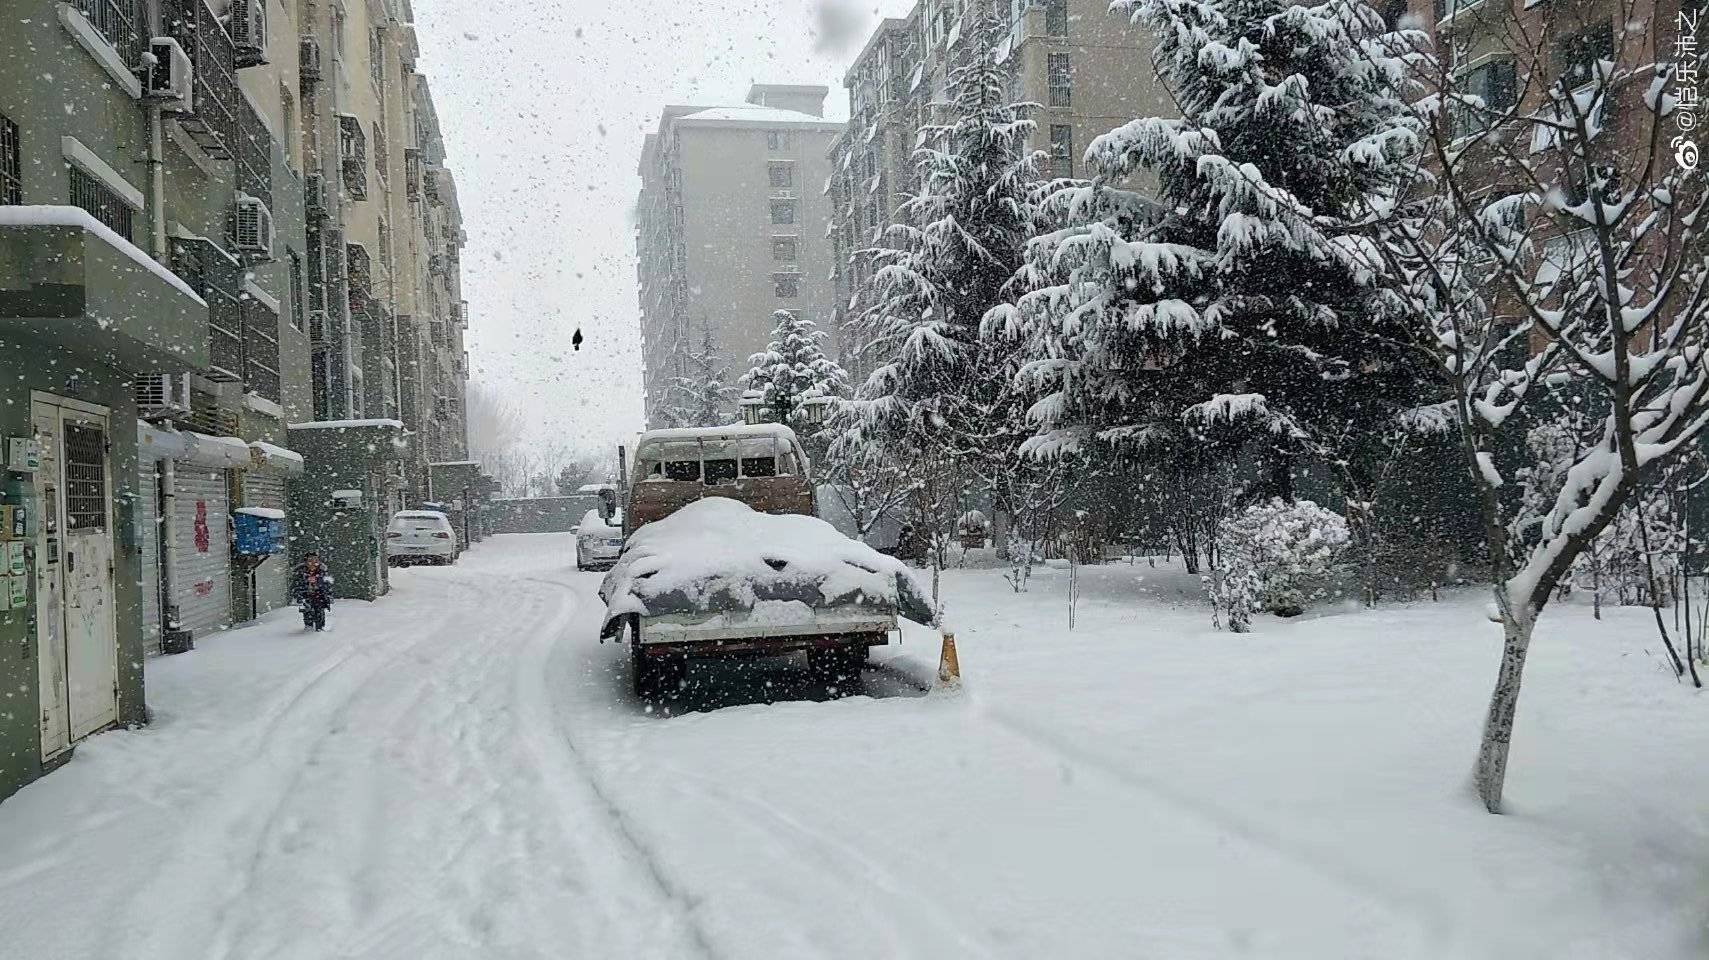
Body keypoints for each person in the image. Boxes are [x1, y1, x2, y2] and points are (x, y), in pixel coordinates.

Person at [290, 551, 335, 632]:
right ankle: (308, 629)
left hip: (319, 598)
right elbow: (295, 587)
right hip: (306, 598)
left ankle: (320, 630)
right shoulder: (300, 573)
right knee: (308, 616)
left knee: (319, 616)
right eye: (310, 561)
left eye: (316, 561)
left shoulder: (322, 572)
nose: (313, 563)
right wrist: (300, 596)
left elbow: (327, 585)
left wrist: (328, 595)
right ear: (306, 562)